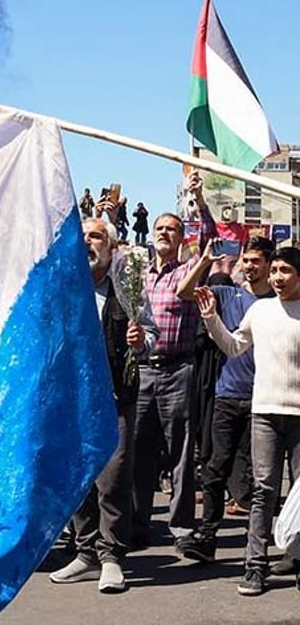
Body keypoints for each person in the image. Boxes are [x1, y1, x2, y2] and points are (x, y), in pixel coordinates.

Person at [50, 218, 158, 593]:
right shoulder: (64, 290)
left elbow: (153, 335)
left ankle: (112, 557)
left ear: (111, 248)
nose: (88, 242)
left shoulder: (126, 292)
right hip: (73, 402)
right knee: (78, 480)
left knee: (112, 476)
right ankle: (84, 554)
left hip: (116, 398)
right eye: (83, 237)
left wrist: (140, 339)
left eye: (96, 236)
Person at [194, 247, 300, 596]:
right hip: (265, 413)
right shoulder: (260, 310)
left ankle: (297, 560)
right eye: (276, 271)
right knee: (263, 491)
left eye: (285, 270)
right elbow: (234, 346)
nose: (278, 277)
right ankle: (255, 566)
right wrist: (212, 319)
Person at [130, 169, 217, 551]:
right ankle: (136, 523)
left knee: (181, 450)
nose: (164, 232)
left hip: (179, 369)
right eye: (160, 228)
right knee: (138, 450)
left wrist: (198, 199)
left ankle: (181, 527)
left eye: (172, 229)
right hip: (144, 370)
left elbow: (211, 238)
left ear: (182, 239)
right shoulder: (137, 273)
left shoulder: (189, 270)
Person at [174, 237, 274, 563]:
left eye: (255, 261)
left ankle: (257, 546)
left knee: (261, 478)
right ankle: (207, 536)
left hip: (264, 400)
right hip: (228, 396)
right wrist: (204, 262)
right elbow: (185, 293)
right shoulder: (227, 294)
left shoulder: (278, 302)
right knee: (215, 469)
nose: (248, 266)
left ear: (269, 265)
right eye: (245, 260)